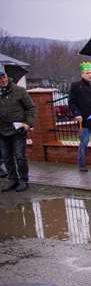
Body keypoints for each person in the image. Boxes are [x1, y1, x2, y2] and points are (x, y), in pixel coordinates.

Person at [0, 64, 37, 192]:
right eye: (0, 78)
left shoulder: (18, 90)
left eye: (4, 76)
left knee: (20, 156)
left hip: (18, 129)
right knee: (7, 157)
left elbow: (31, 108)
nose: (3, 80)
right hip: (2, 131)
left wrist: (28, 123)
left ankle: (23, 180)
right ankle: (12, 180)